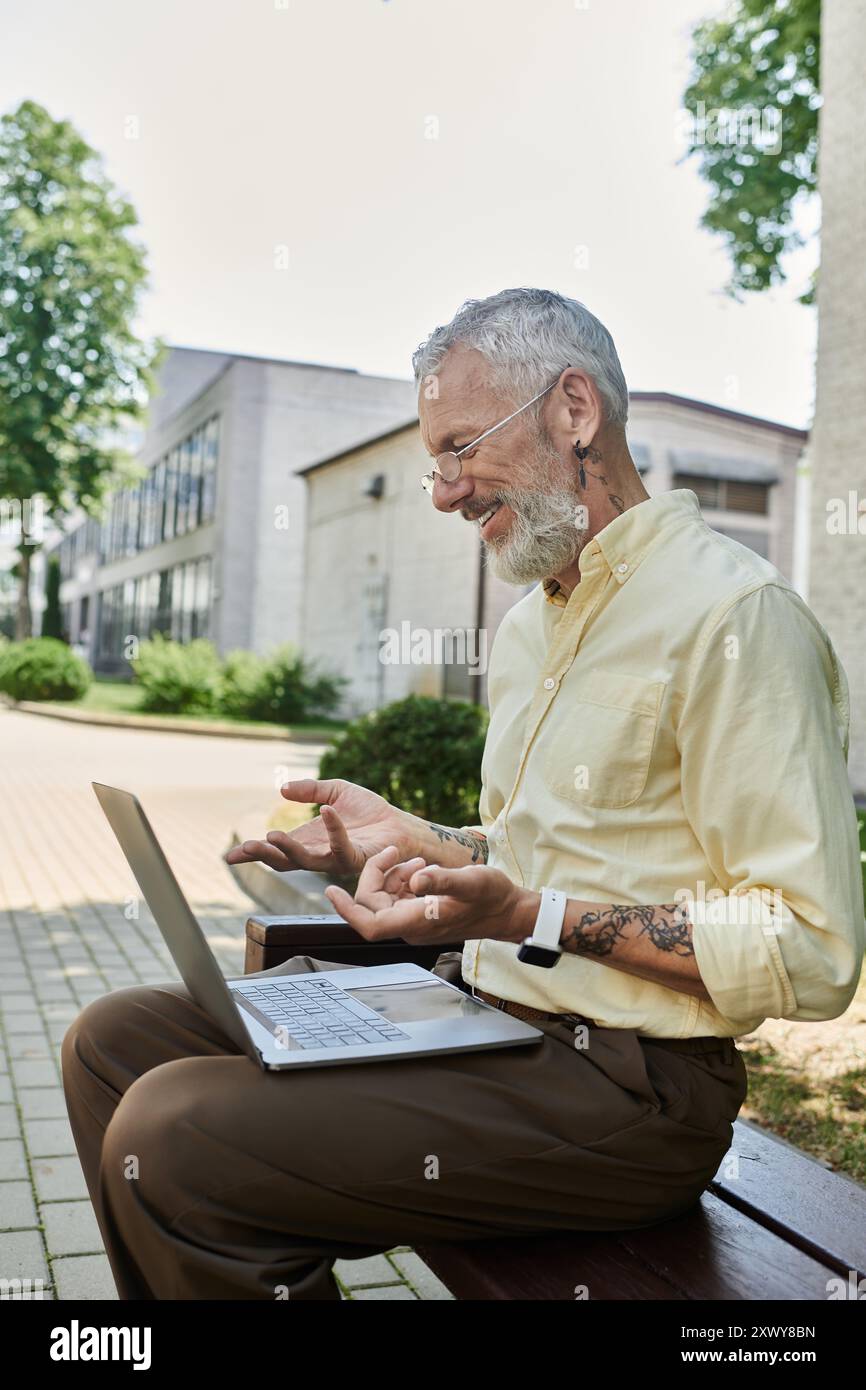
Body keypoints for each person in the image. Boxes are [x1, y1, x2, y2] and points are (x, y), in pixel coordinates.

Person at [62, 288, 865, 1300]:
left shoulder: (736, 619)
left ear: (573, 410)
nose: (442, 494)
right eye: (430, 463)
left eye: (457, 450)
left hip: (630, 1089)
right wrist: (407, 840)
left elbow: (810, 945)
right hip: (482, 1017)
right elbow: (530, 857)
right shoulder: (532, 625)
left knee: (171, 1135)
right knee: (113, 1045)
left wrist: (532, 915)